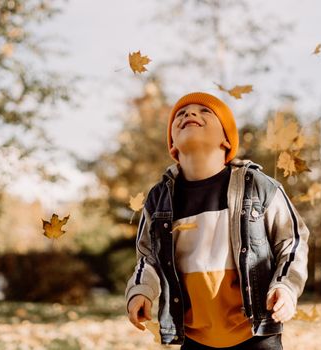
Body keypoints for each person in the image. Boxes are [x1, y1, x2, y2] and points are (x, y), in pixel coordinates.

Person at [125, 92, 310, 349]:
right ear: (173, 146)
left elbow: (292, 241)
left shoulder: (257, 186)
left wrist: (286, 286)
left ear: (226, 139)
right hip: (195, 335)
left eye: (204, 112)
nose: (190, 114)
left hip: (254, 332)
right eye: (181, 113)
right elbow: (149, 257)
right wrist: (140, 290)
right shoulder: (159, 199)